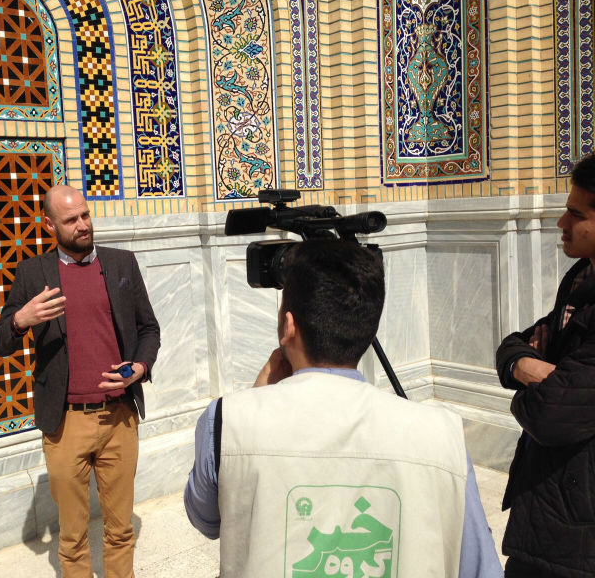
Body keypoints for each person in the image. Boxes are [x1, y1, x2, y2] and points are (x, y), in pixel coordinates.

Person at [184, 239, 502, 577]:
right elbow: (482, 568)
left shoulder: (226, 421)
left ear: (287, 326)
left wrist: (256, 396)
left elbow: (205, 518)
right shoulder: (443, 435)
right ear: (368, 328)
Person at [0, 184, 160, 578]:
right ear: (49, 224)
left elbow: (148, 328)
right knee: (72, 537)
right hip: (66, 423)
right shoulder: (33, 273)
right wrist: (20, 320)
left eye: (85, 215)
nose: (83, 225)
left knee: (120, 531)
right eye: (71, 220)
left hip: (119, 418)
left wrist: (140, 366)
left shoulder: (122, 264)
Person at [495, 152, 595, 577]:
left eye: (575, 214)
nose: (561, 223)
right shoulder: (578, 281)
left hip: (579, 531)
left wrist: (536, 388)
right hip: (550, 508)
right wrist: (532, 369)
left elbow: (550, 413)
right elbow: (512, 347)